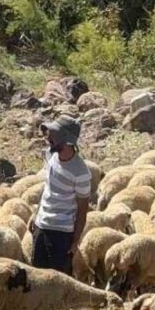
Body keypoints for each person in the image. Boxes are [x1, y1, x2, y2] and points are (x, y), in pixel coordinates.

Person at [30, 114, 91, 275]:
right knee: (36, 278)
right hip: (41, 226)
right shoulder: (51, 155)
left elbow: (82, 209)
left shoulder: (81, 172)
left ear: (66, 140)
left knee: (58, 282)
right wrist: (36, 215)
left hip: (61, 234)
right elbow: (47, 187)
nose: (48, 136)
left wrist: (75, 241)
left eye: (53, 133)